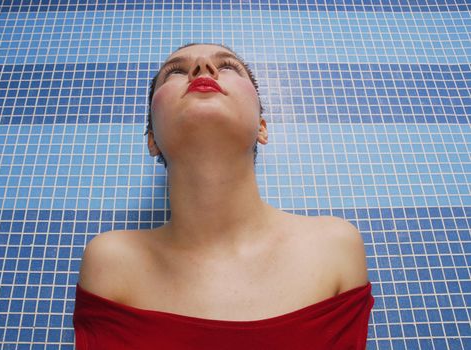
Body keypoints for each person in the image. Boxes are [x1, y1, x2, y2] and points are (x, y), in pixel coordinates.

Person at [73, 43, 374, 349]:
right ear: (152, 140)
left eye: (228, 66)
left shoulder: (335, 248)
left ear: (261, 127)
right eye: (175, 72)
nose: (203, 67)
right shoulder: (110, 262)